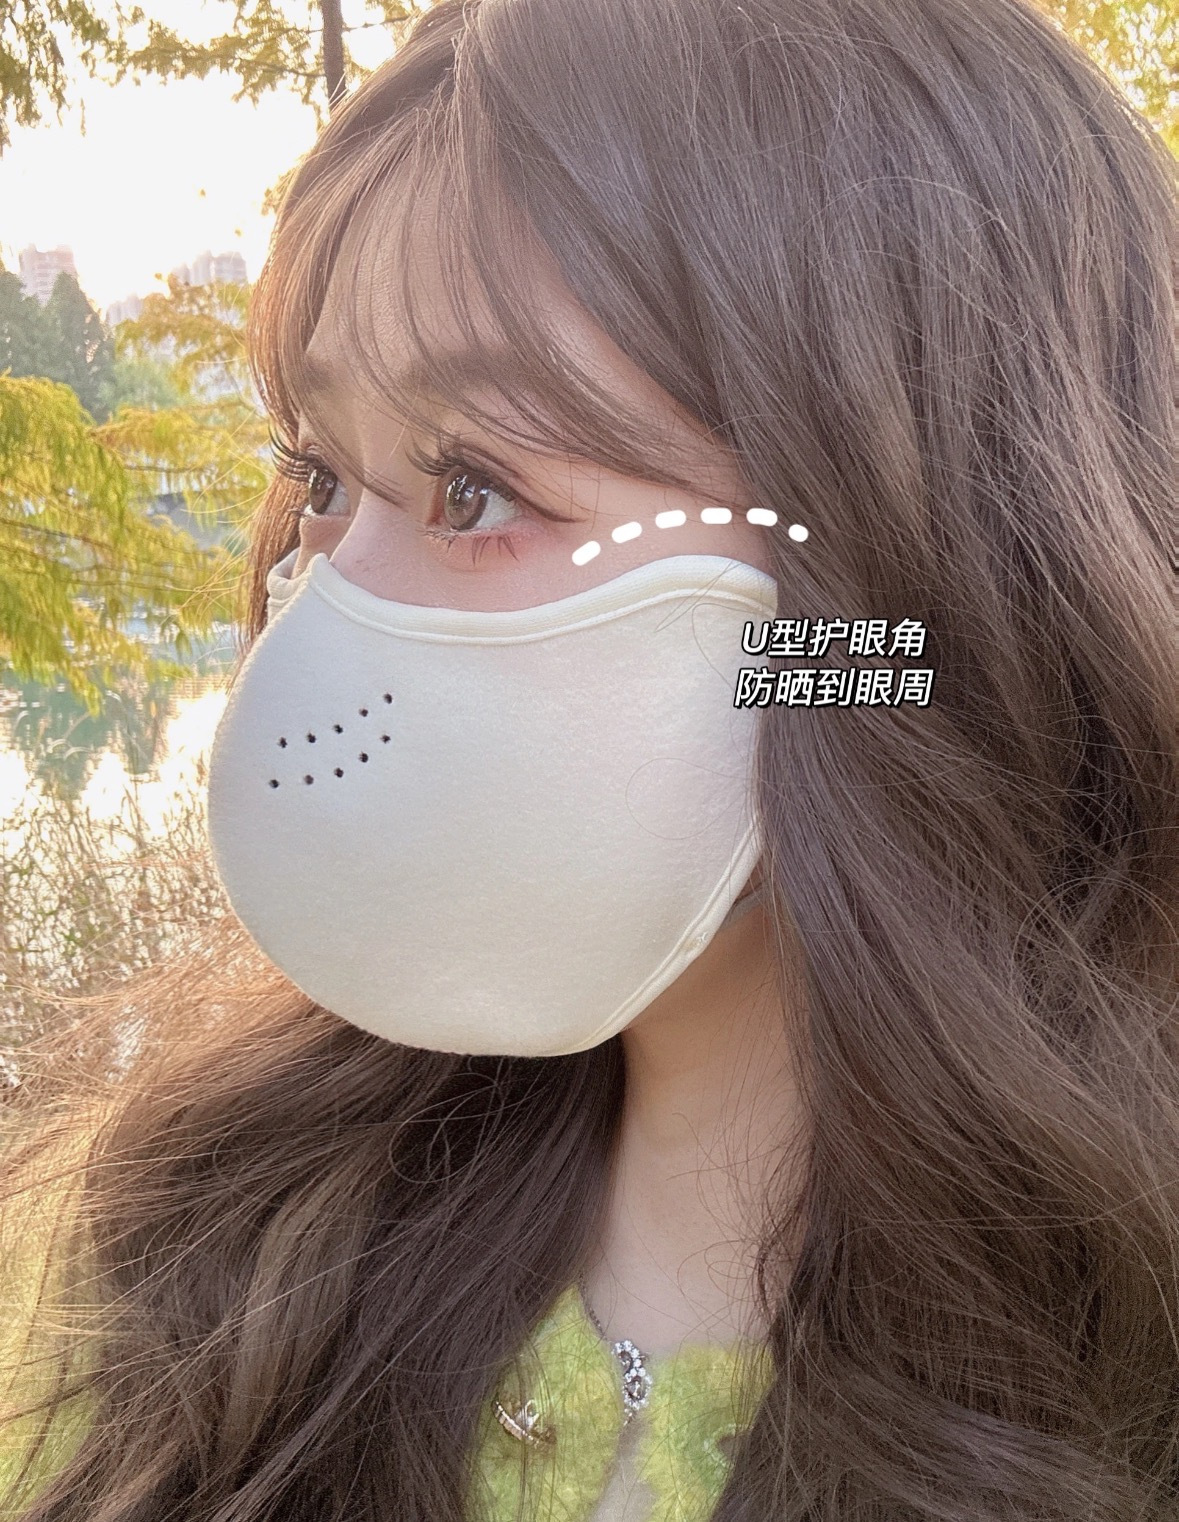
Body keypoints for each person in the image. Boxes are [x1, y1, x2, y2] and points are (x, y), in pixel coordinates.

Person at [1, 0, 1176, 1518]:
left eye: (474, 487)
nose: (322, 603)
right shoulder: (186, 1254)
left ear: (890, 605)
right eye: (321, 473)